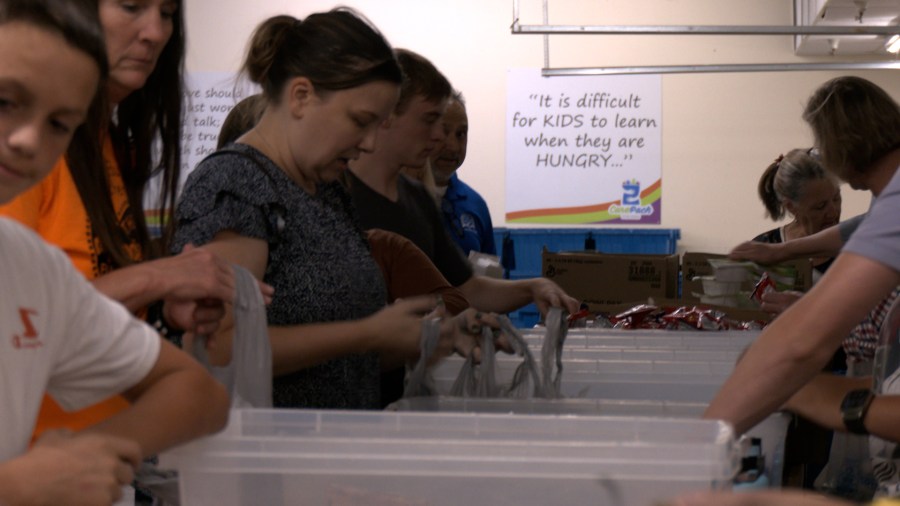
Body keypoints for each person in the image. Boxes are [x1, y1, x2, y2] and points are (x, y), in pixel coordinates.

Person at [174, 10, 500, 411]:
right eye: (360, 121)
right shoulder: (235, 186)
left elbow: (342, 357)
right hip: (266, 460)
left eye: (378, 125)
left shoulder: (327, 191)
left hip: (332, 454)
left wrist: (431, 336)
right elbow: (219, 348)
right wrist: (366, 333)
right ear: (301, 96)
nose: (367, 143)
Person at [0, 1, 228, 504]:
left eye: (61, 123)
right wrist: (20, 485)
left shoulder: (30, 265)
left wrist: (69, 465)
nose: (27, 140)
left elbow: (199, 394)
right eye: (5, 101)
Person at [703, 74, 900, 473]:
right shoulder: (889, 198)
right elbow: (862, 228)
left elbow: (801, 346)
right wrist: (783, 251)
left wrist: (697, 450)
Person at [347, 49, 579, 317]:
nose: (439, 137)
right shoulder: (334, 198)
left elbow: (468, 290)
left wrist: (533, 287)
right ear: (388, 115)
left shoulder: (419, 199)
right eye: (429, 120)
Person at [216, 93, 470, 316]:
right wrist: (376, 334)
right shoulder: (232, 205)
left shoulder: (374, 239)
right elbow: (228, 345)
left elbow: (456, 300)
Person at [752, 148, 842, 279]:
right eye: (820, 206)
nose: (833, 213)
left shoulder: (857, 246)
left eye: (836, 199)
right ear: (791, 207)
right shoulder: (767, 248)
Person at [432, 91, 497, 256]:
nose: (453, 146)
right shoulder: (399, 197)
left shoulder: (476, 205)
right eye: (443, 132)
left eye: (460, 134)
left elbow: (491, 273)